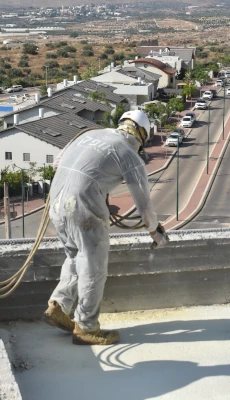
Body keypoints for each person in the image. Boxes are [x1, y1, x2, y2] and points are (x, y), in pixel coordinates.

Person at [44, 110, 169, 345]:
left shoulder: (90, 135)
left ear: (122, 123)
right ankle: (86, 327)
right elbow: (144, 205)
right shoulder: (130, 155)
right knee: (94, 266)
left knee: (74, 257)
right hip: (80, 207)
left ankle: (58, 306)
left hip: (56, 202)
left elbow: (58, 162)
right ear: (142, 135)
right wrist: (154, 230)